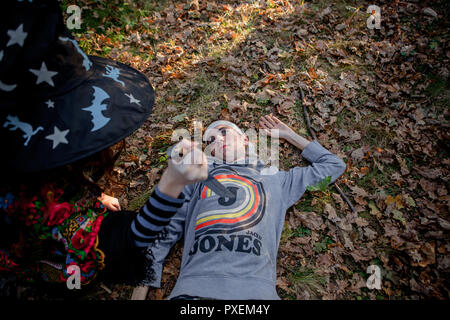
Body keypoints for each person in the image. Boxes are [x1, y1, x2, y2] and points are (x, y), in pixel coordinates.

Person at [0, 0, 208, 294]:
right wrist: (171, 184)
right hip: (42, 263)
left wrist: (94, 194)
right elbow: (132, 237)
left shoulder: (32, 161)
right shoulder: (39, 207)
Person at [136, 115, 347, 300]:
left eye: (224, 132)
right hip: (195, 290)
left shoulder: (276, 180)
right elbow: (165, 232)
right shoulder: (196, 180)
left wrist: (289, 135)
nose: (217, 140)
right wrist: (140, 290)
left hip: (255, 293)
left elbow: (333, 165)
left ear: (245, 140)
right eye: (210, 140)